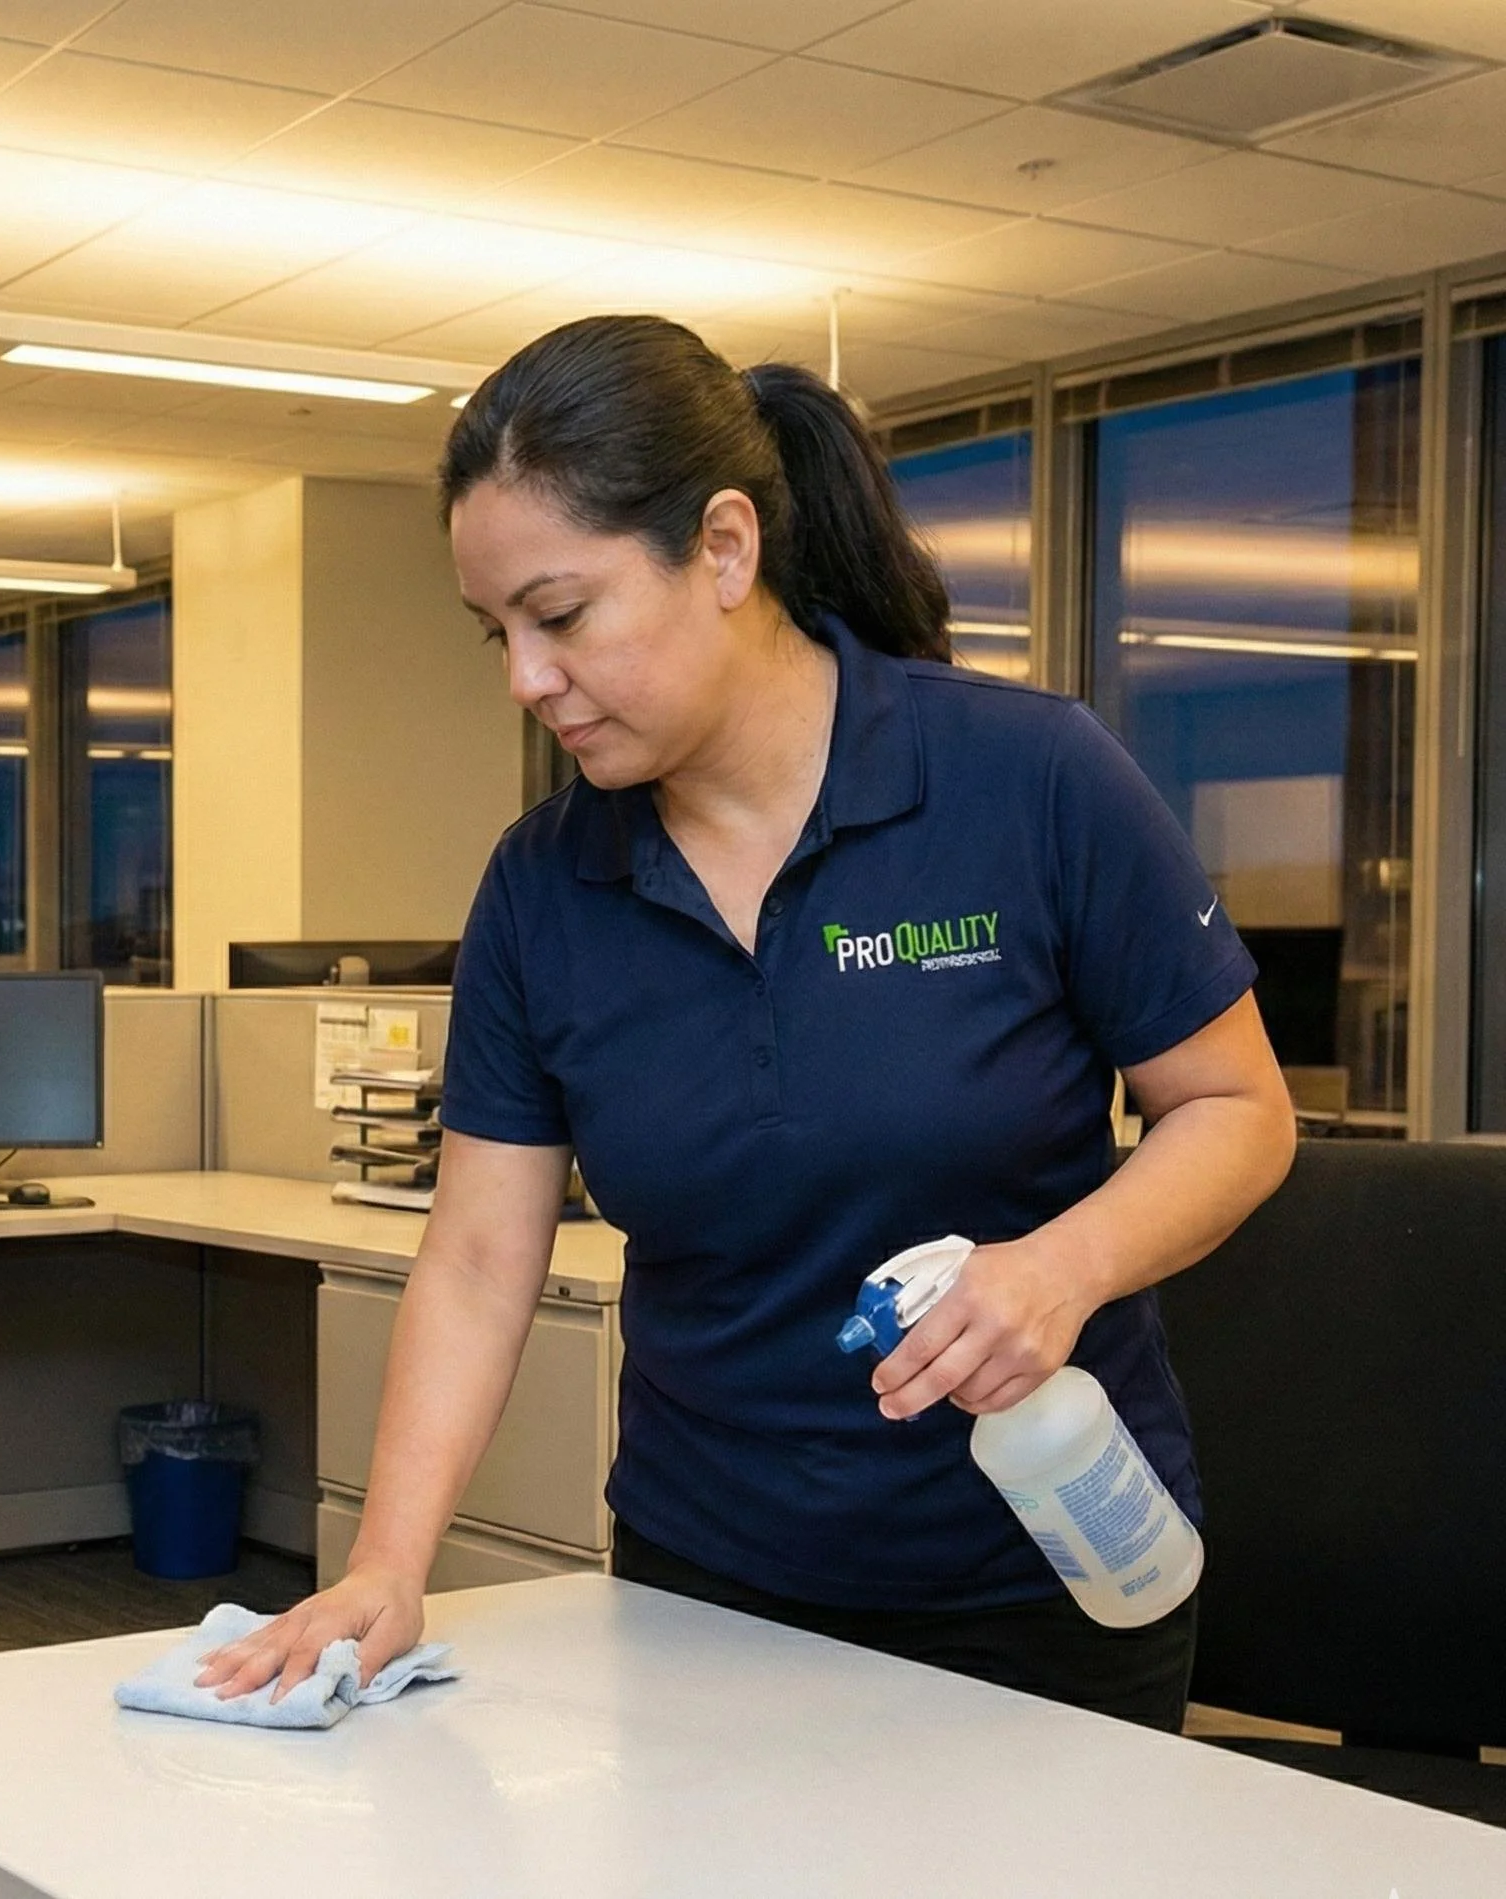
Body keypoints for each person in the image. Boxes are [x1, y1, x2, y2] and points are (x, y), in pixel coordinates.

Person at [198, 314, 1297, 1731]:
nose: (524, 679)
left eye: (561, 615)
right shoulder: (545, 885)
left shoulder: (1028, 780)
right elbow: (476, 1258)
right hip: (701, 1591)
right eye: (498, 632)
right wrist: (388, 1565)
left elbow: (1238, 1109)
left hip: (1035, 1584)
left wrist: (1063, 1268)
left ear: (725, 549)